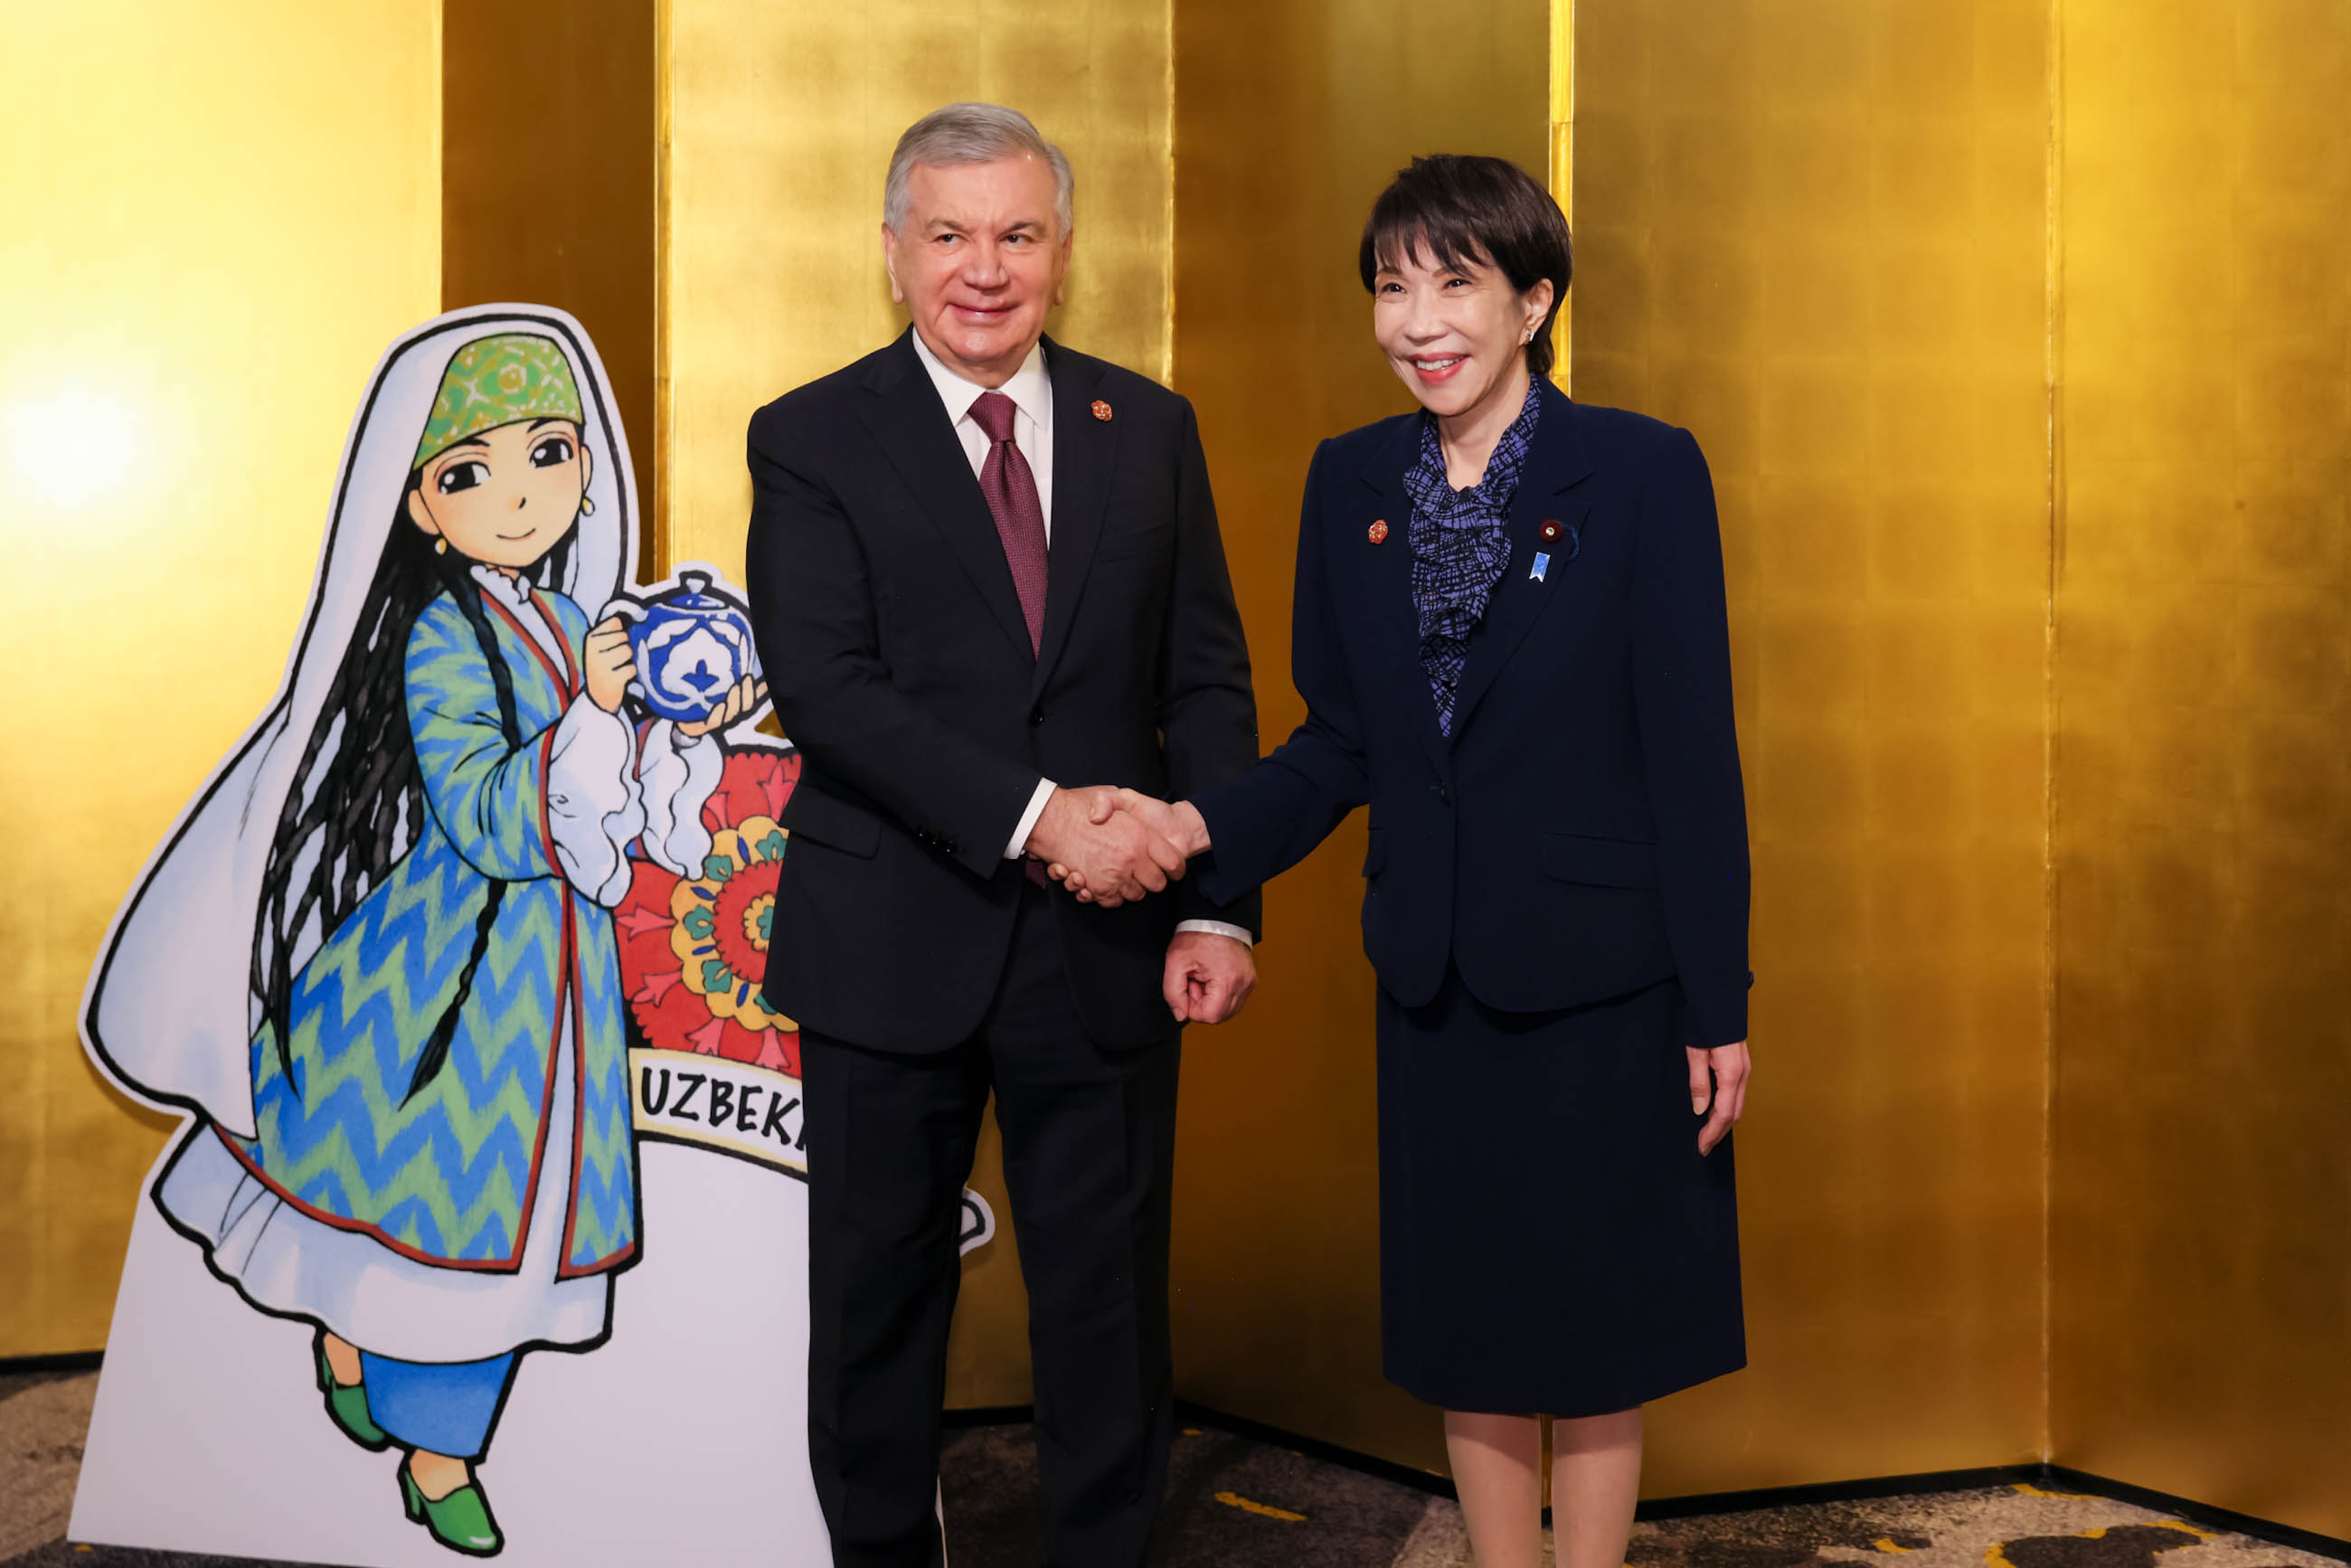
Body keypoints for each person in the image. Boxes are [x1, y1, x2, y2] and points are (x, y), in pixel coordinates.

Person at [1060, 155, 1751, 1568]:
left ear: (1534, 300)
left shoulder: (1639, 470)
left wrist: (1717, 1001)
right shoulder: (1352, 480)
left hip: (1605, 978)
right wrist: (1193, 830)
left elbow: (1693, 756)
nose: (1418, 318)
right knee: (1473, 1323)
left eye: (1456, 282)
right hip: (1433, 969)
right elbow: (1342, 745)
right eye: (1392, 285)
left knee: (1599, 1327)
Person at [85, 313, 755, 1556]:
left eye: (549, 453)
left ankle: (408, 1404)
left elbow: (638, 833)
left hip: (554, 984)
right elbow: (496, 816)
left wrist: (680, 726)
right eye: (470, 471)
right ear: (420, 505)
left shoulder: (566, 622)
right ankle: (425, 1437)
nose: (519, 494)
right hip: (452, 981)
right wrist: (598, 721)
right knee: (436, 1220)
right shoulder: (445, 635)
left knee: (506, 1232)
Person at [741, 103, 1261, 1568]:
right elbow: (826, 694)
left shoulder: (1146, 427)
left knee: (1106, 1313)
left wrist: (1219, 905)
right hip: (890, 940)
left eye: (1018, 233)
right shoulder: (812, 435)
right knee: (874, 1312)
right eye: (951, 234)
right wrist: (1042, 822)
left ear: (1063, 250)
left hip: (1106, 953)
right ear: (893, 251)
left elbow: (1204, 679)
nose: (986, 267)